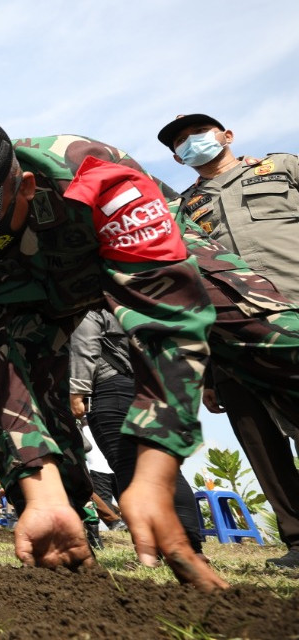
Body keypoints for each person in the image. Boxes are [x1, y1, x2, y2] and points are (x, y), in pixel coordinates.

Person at [0, 117, 299, 591]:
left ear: (25, 187)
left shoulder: (97, 173)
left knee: (268, 335)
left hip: (142, 261)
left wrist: (155, 469)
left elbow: (168, 318)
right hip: (31, 303)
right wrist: (41, 487)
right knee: (36, 422)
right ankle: (70, 550)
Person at [158, 113, 299, 571]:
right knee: (258, 436)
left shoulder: (281, 168)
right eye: (180, 142)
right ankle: (298, 539)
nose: (190, 143)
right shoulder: (185, 205)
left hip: (295, 306)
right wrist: (210, 373)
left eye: (197, 133)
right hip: (234, 331)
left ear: (227, 135)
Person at [68, 308, 204, 553]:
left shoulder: (91, 308)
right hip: (147, 389)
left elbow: (84, 341)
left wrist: (78, 388)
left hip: (110, 390)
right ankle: (191, 546)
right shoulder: (133, 306)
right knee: (165, 468)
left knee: (129, 467)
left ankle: (164, 548)